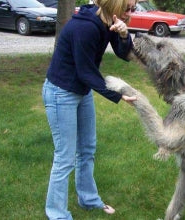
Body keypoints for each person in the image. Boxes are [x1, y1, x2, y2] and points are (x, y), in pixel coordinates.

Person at [42, 0, 137, 219]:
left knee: (87, 149)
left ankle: (88, 199)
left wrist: (123, 35)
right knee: (65, 157)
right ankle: (57, 214)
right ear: (114, 4)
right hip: (60, 92)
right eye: (127, 8)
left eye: (133, 8)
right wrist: (117, 94)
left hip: (80, 90)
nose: (130, 13)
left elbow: (125, 54)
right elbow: (86, 71)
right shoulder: (85, 27)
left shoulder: (109, 21)